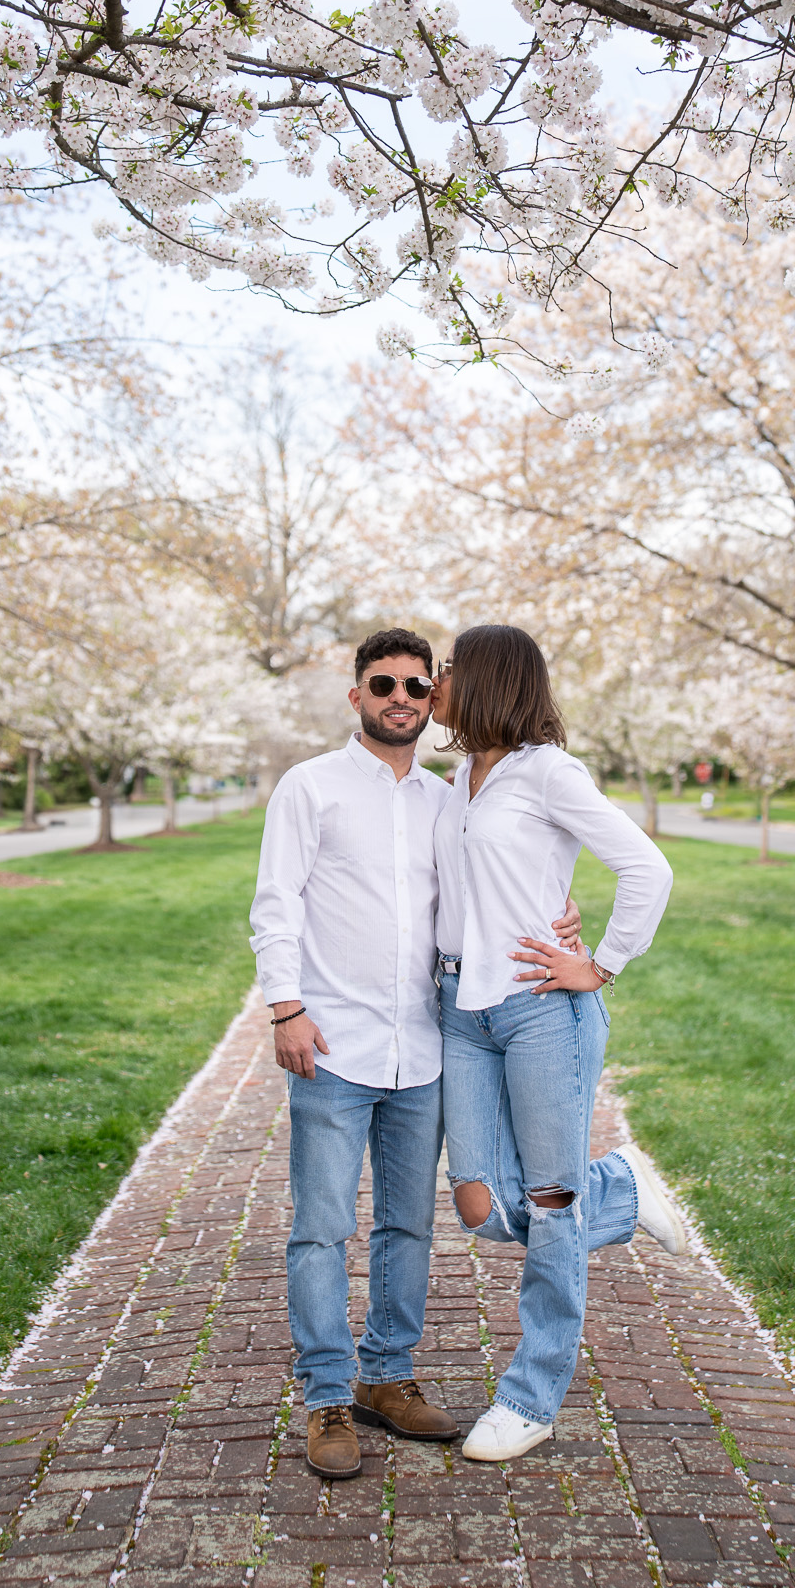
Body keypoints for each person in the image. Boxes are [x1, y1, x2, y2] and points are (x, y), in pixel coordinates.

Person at [249, 626, 582, 1479]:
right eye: (382, 683)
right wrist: (285, 1007)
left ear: (434, 698)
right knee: (322, 1229)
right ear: (355, 693)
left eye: (415, 686)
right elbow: (274, 902)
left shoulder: (450, 797)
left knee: (408, 1226)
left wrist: (563, 917)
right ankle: (327, 1396)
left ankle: (386, 1379)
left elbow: (504, 880)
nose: (400, 698)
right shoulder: (310, 788)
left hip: (425, 1047)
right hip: (331, 1044)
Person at [429, 622, 687, 1465]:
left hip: (542, 1010)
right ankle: (618, 1186)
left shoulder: (548, 773)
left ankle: (530, 1398)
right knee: (481, 1204)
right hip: (462, 1011)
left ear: (490, 680)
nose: (434, 682)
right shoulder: (454, 779)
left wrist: (600, 964)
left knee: (547, 1210)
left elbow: (647, 868)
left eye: (447, 670)